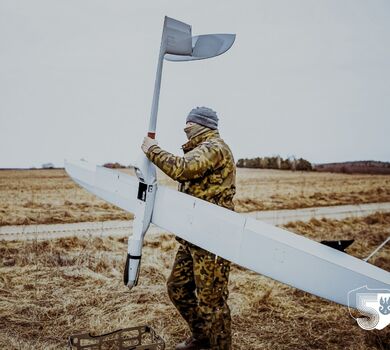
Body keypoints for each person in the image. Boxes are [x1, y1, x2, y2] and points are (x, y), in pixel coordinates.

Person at [141, 106, 236, 350]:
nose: (185, 129)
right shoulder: (201, 149)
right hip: (193, 236)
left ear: (201, 125)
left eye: (189, 125)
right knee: (178, 288)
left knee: (211, 302)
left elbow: (182, 169)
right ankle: (202, 336)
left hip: (212, 238)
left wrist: (153, 150)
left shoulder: (214, 147)